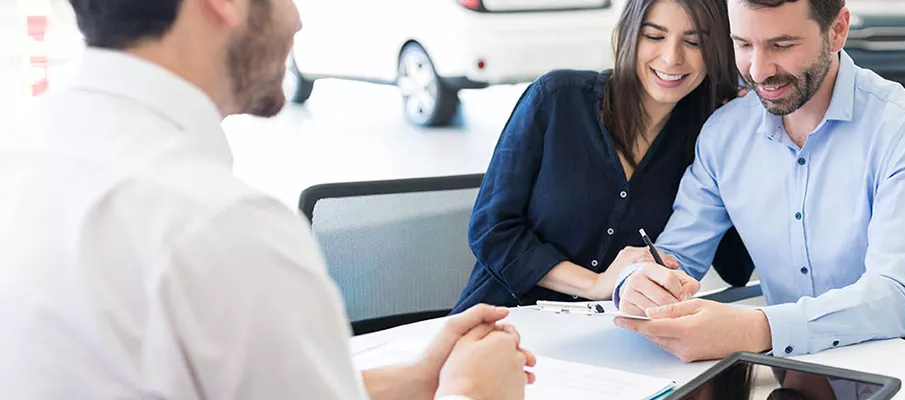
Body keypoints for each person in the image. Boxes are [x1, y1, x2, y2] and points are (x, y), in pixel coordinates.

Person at [0, 0, 534, 398]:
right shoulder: (221, 224)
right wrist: (472, 394)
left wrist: (417, 380)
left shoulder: (24, 149)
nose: (298, 20)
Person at [608, 0, 905, 362]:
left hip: (904, 355)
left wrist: (757, 329)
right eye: (744, 45)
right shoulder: (724, 133)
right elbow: (677, 256)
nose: (759, 71)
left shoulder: (903, 127)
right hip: (791, 363)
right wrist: (640, 282)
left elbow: (896, 295)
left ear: (838, 30)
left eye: (782, 45)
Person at [452, 0, 753, 311]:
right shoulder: (556, 99)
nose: (671, 57)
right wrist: (594, 284)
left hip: (615, 340)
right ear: (629, 34)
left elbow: (735, 268)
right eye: (654, 36)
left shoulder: (707, 139)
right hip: (500, 322)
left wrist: (744, 138)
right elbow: (492, 230)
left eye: (694, 42)